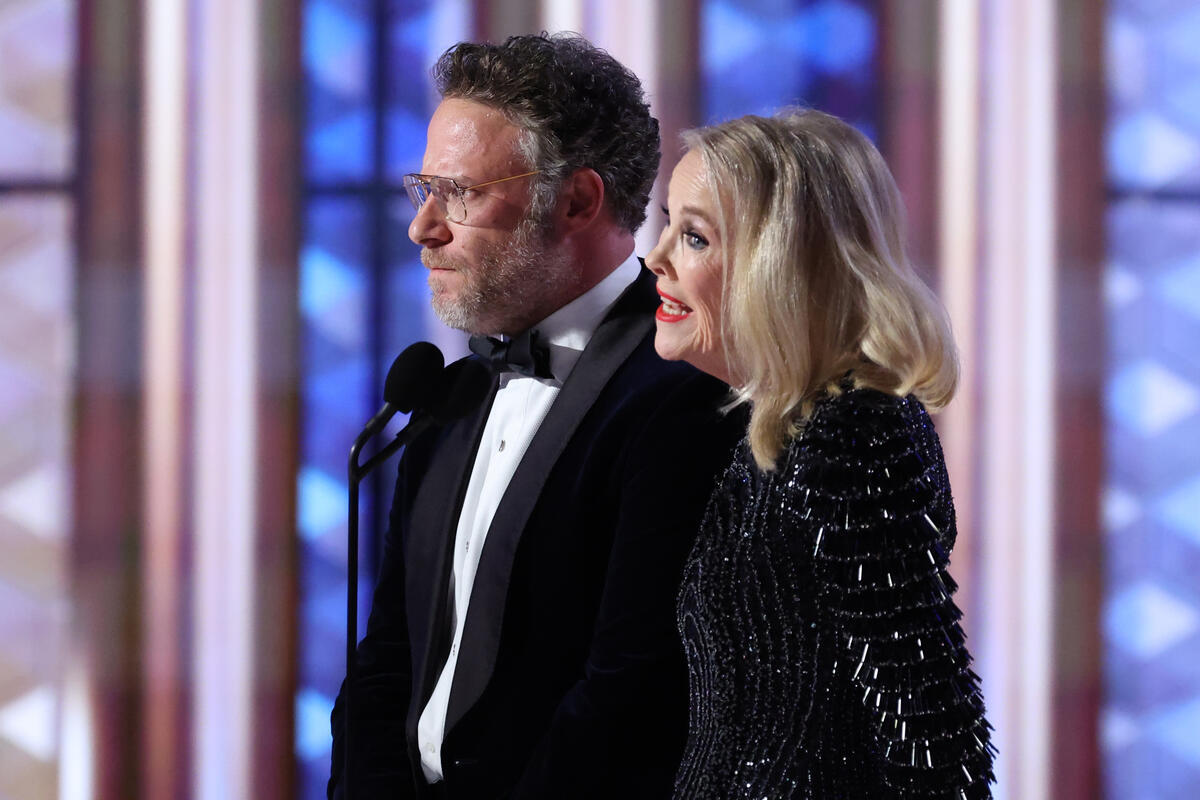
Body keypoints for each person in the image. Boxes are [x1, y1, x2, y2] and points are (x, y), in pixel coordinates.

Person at [328, 33, 744, 800]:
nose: (423, 228)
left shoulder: (688, 386)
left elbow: (630, 698)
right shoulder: (451, 392)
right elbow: (387, 657)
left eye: (460, 194)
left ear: (579, 200)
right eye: (424, 190)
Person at [645, 109, 996, 798]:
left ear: (780, 266)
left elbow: (932, 726)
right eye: (667, 224)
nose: (655, 256)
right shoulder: (780, 431)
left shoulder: (856, 433)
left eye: (693, 236)